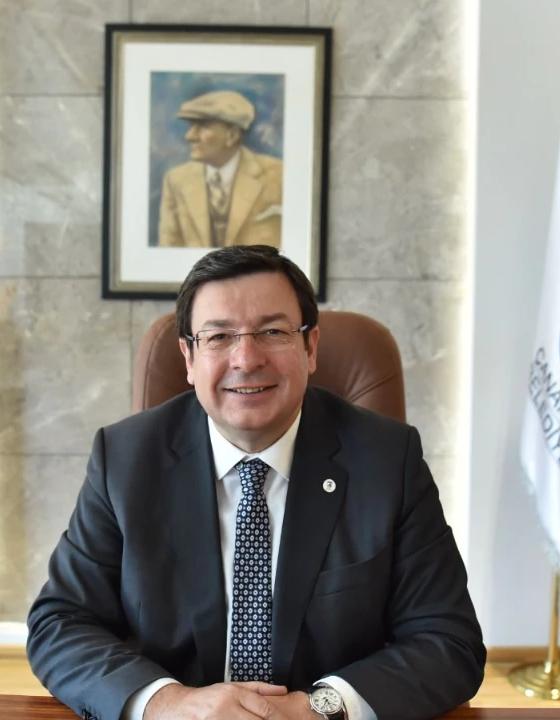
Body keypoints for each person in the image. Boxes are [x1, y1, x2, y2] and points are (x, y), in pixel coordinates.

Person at [27, 245, 486, 720]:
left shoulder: (388, 460)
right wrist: (169, 704)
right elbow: (60, 623)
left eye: (272, 332)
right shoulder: (125, 459)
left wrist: (317, 709)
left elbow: (448, 641)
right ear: (189, 357)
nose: (246, 359)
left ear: (310, 348)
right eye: (219, 336)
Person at [157, 91, 284, 249]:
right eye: (191, 126)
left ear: (232, 135)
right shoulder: (176, 180)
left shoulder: (278, 175)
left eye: (203, 126)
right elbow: (168, 250)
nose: (190, 136)